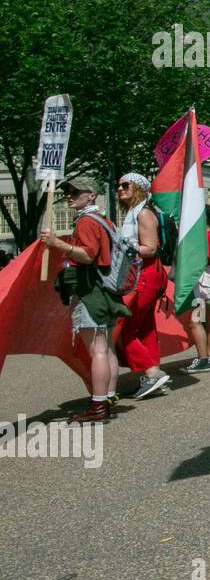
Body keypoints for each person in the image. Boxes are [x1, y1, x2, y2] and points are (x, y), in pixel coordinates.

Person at [41, 180, 130, 422]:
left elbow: (88, 255)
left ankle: (98, 406)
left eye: (75, 192)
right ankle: (108, 397)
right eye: (67, 192)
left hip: (91, 289)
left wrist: (58, 243)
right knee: (107, 346)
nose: (69, 196)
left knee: (97, 350)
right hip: (106, 289)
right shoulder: (103, 219)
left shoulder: (86, 221)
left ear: (91, 195)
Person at [115, 172, 170, 398]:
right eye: (118, 185)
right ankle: (152, 375)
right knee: (145, 327)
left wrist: (119, 247)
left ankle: (151, 373)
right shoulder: (134, 212)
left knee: (123, 329)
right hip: (142, 274)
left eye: (125, 185)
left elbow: (150, 248)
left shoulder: (144, 214)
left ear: (138, 188)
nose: (120, 189)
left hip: (144, 275)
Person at [184, 204, 210, 373]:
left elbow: (204, 257)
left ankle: (202, 359)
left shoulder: (207, 236)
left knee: (195, 321)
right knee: (206, 321)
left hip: (202, 283)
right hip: (207, 282)